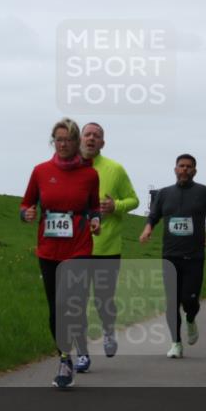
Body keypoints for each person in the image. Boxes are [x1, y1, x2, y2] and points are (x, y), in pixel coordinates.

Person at [20, 118, 101, 388]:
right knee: (56, 309)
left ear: (76, 142)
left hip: (79, 247)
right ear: (53, 142)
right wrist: (26, 214)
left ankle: (71, 354)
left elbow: (94, 207)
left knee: (71, 304)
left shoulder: (89, 175)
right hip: (49, 249)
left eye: (68, 140)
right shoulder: (40, 171)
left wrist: (95, 220)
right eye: (58, 140)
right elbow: (26, 203)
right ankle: (65, 357)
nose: (63, 144)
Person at [140, 154, 206, 358]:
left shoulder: (204, 192)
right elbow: (153, 216)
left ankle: (191, 319)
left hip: (194, 256)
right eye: (181, 166)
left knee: (189, 300)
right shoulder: (164, 193)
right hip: (170, 255)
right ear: (175, 169)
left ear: (195, 171)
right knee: (172, 302)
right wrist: (148, 229)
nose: (184, 169)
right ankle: (176, 343)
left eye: (189, 166)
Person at [76, 122, 139, 371]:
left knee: (103, 300)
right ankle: (82, 353)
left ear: (103, 142)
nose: (91, 138)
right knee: (77, 302)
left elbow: (134, 200)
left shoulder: (115, 169)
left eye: (97, 136)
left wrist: (116, 206)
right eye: (87, 134)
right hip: (75, 248)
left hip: (107, 248)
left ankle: (108, 330)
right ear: (80, 139)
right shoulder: (69, 168)